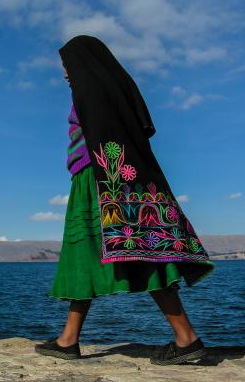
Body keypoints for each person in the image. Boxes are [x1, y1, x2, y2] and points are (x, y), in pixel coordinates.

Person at [34, 35, 215, 366]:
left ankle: (186, 339)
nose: (64, 74)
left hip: (99, 182)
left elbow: (104, 141)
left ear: (83, 63)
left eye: (66, 66)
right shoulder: (112, 90)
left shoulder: (90, 91)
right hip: (110, 180)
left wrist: (108, 183)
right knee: (108, 254)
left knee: (112, 253)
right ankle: (69, 339)